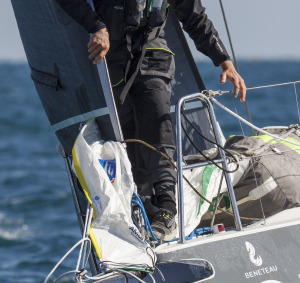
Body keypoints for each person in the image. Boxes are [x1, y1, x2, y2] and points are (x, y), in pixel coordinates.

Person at [55, 0, 246, 241]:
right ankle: (142, 210)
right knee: (126, 142)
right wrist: (96, 26)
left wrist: (224, 62)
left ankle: (167, 209)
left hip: (153, 56)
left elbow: (195, 18)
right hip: (110, 62)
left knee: (158, 126)